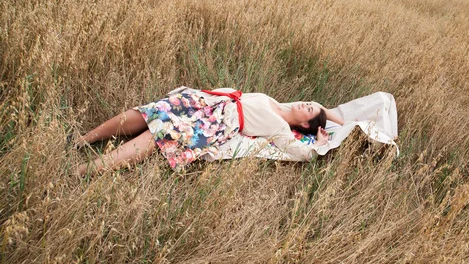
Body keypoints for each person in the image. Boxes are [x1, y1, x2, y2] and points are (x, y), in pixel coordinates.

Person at [75, 87, 345, 176]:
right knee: (150, 112)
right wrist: (320, 109)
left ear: (306, 125)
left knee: (157, 135)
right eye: (309, 103)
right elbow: (320, 107)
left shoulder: (280, 127)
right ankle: (84, 140)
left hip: (215, 124)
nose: (306, 104)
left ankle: (86, 170)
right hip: (208, 104)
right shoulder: (280, 105)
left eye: (308, 109)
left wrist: (319, 143)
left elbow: (301, 153)